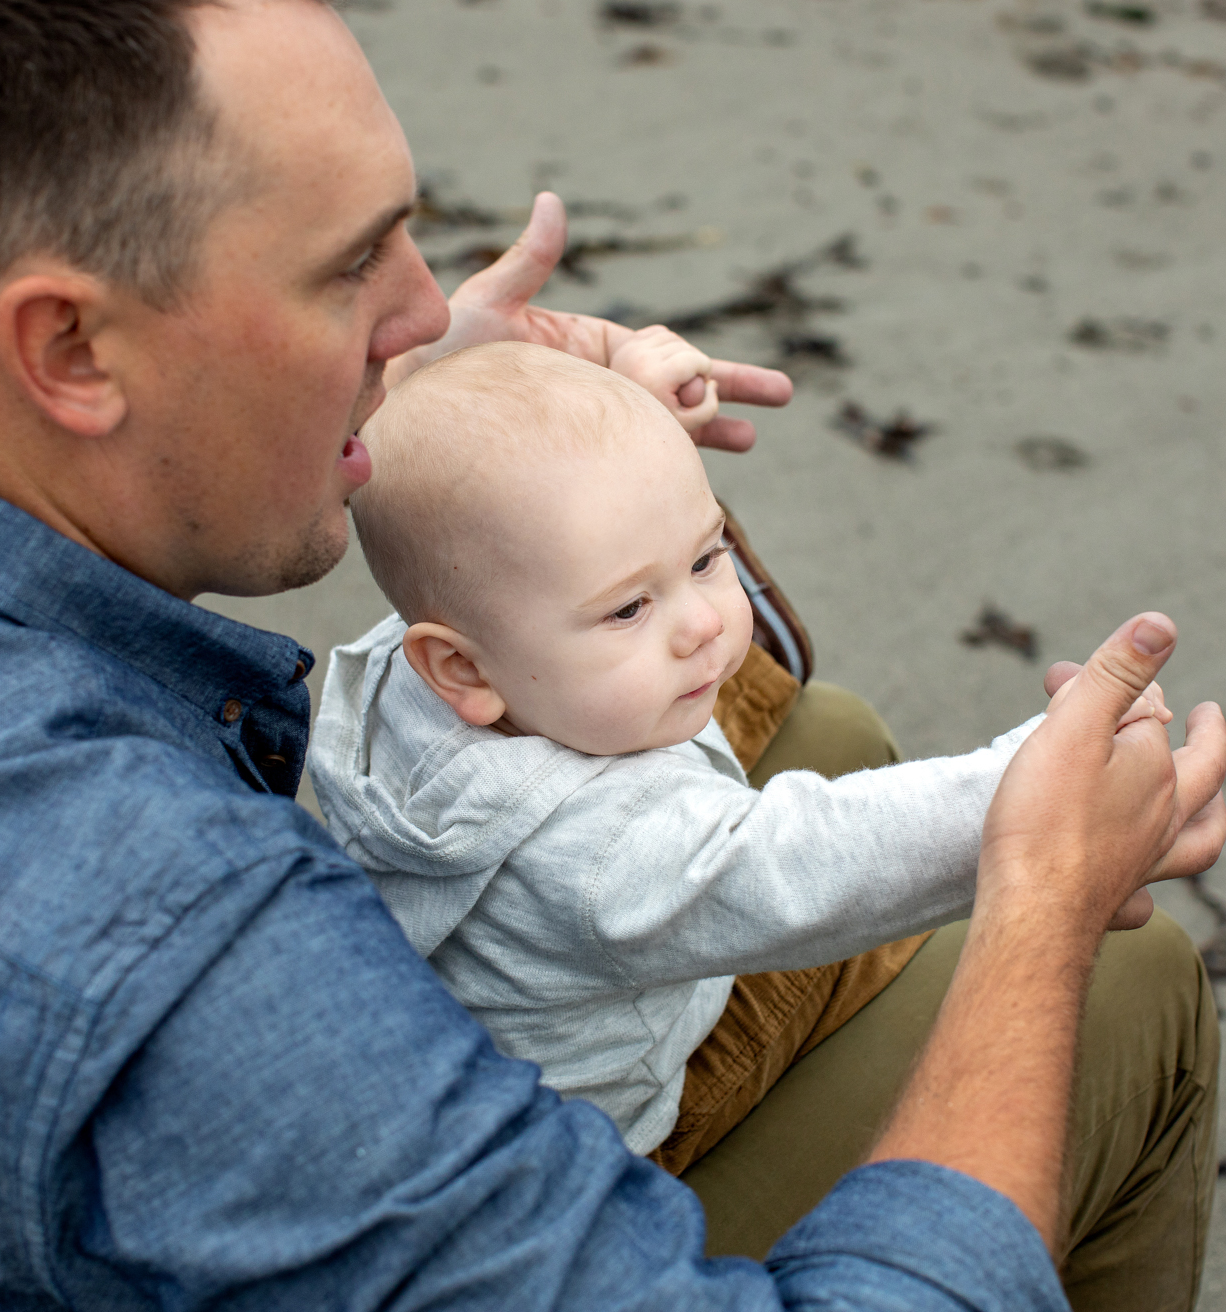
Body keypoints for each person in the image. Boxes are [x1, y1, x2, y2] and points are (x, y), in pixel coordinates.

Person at [0, 0, 1226, 1309]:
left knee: (829, 745)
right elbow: (202, 1000)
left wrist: (440, 419)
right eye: (348, 271)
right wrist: (1032, 905)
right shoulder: (198, 968)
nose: (426, 312)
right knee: (1124, 975)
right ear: (70, 351)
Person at [310, 339, 1170, 1176]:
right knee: (1128, 976)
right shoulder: (606, 859)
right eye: (627, 609)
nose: (704, 622)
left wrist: (627, 434)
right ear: (459, 666)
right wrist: (1040, 773)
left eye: (707, 555)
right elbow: (808, 861)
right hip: (622, 1132)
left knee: (791, 713)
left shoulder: (401, 669)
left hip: (514, 1032)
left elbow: (512, 529)